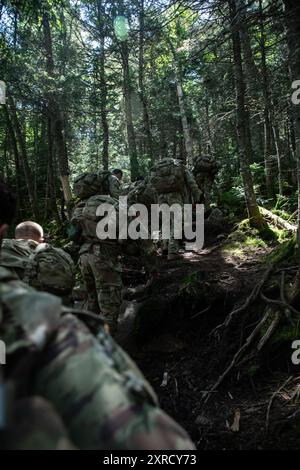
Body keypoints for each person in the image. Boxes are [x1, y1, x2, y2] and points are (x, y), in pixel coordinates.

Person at [0, 181, 195, 450]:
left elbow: (74, 235)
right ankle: (105, 354)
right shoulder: (115, 206)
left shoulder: (80, 207)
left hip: (84, 257)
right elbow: (136, 235)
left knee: (91, 301)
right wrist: (153, 264)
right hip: (104, 259)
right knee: (110, 305)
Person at [150, 158, 202, 260]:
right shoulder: (180, 167)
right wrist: (197, 194)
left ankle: (165, 246)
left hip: (161, 197)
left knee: (165, 222)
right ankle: (172, 251)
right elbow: (191, 182)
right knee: (177, 222)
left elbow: (152, 185)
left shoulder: (159, 168)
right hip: (175, 196)